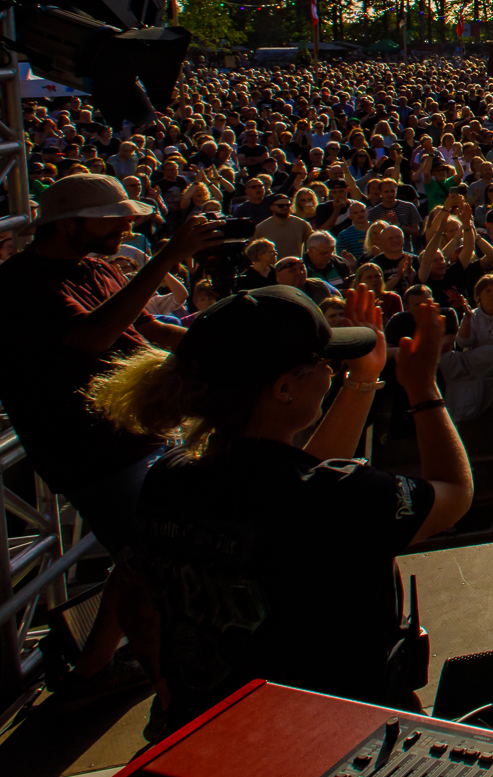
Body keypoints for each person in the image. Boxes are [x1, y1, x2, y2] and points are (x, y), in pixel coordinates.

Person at [88, 285, 472, 727]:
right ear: (284, 387)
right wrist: (422, 388)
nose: (331, 373)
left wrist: (362, 381)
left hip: (211, 727)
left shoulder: (170, 476)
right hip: (326, 737)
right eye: (325, 363)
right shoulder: (335, 497)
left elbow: (136, 595)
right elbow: (454, 492)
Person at [0, 174, 223, 704]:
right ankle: (169, 699)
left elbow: (145, 328)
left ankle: (91, 670)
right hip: (90, 451)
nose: (125, 226)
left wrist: (223, 344)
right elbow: (95, 335)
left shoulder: (95, 265)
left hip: (135, 432)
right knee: (149, 565)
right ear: (67, 224)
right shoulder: (20, 283)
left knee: (139, 556)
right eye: (111, 219)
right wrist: (167, 257)